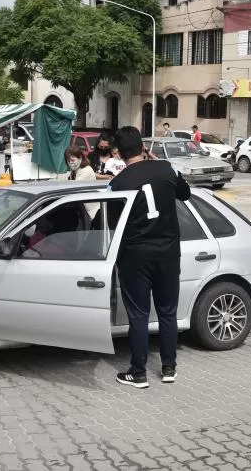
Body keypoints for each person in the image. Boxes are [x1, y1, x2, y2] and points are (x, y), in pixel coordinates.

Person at [109, 126, 191, 389]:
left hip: (135, 257)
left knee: (139, 315)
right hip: (168, 254)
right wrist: (162, 166)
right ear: (144, 147)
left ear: (119, 154)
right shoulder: (166, 170)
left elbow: (112, 225)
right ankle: (169, 368)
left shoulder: (118, 183)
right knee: (168, 312)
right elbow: (185, 193)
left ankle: (138, 372)